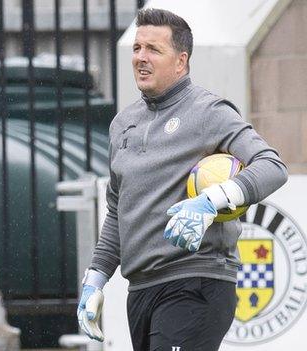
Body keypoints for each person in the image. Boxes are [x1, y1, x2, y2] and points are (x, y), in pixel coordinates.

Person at [77, 8, 288, 351]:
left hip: (196, 282)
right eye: (136, 48)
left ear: (181, 61)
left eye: (153, 50)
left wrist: (212, 201)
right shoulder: (122, 124)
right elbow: (117, 210)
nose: (140, 58)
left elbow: (271, 165)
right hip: (142, 290)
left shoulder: (209, 111)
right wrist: (96, 279)